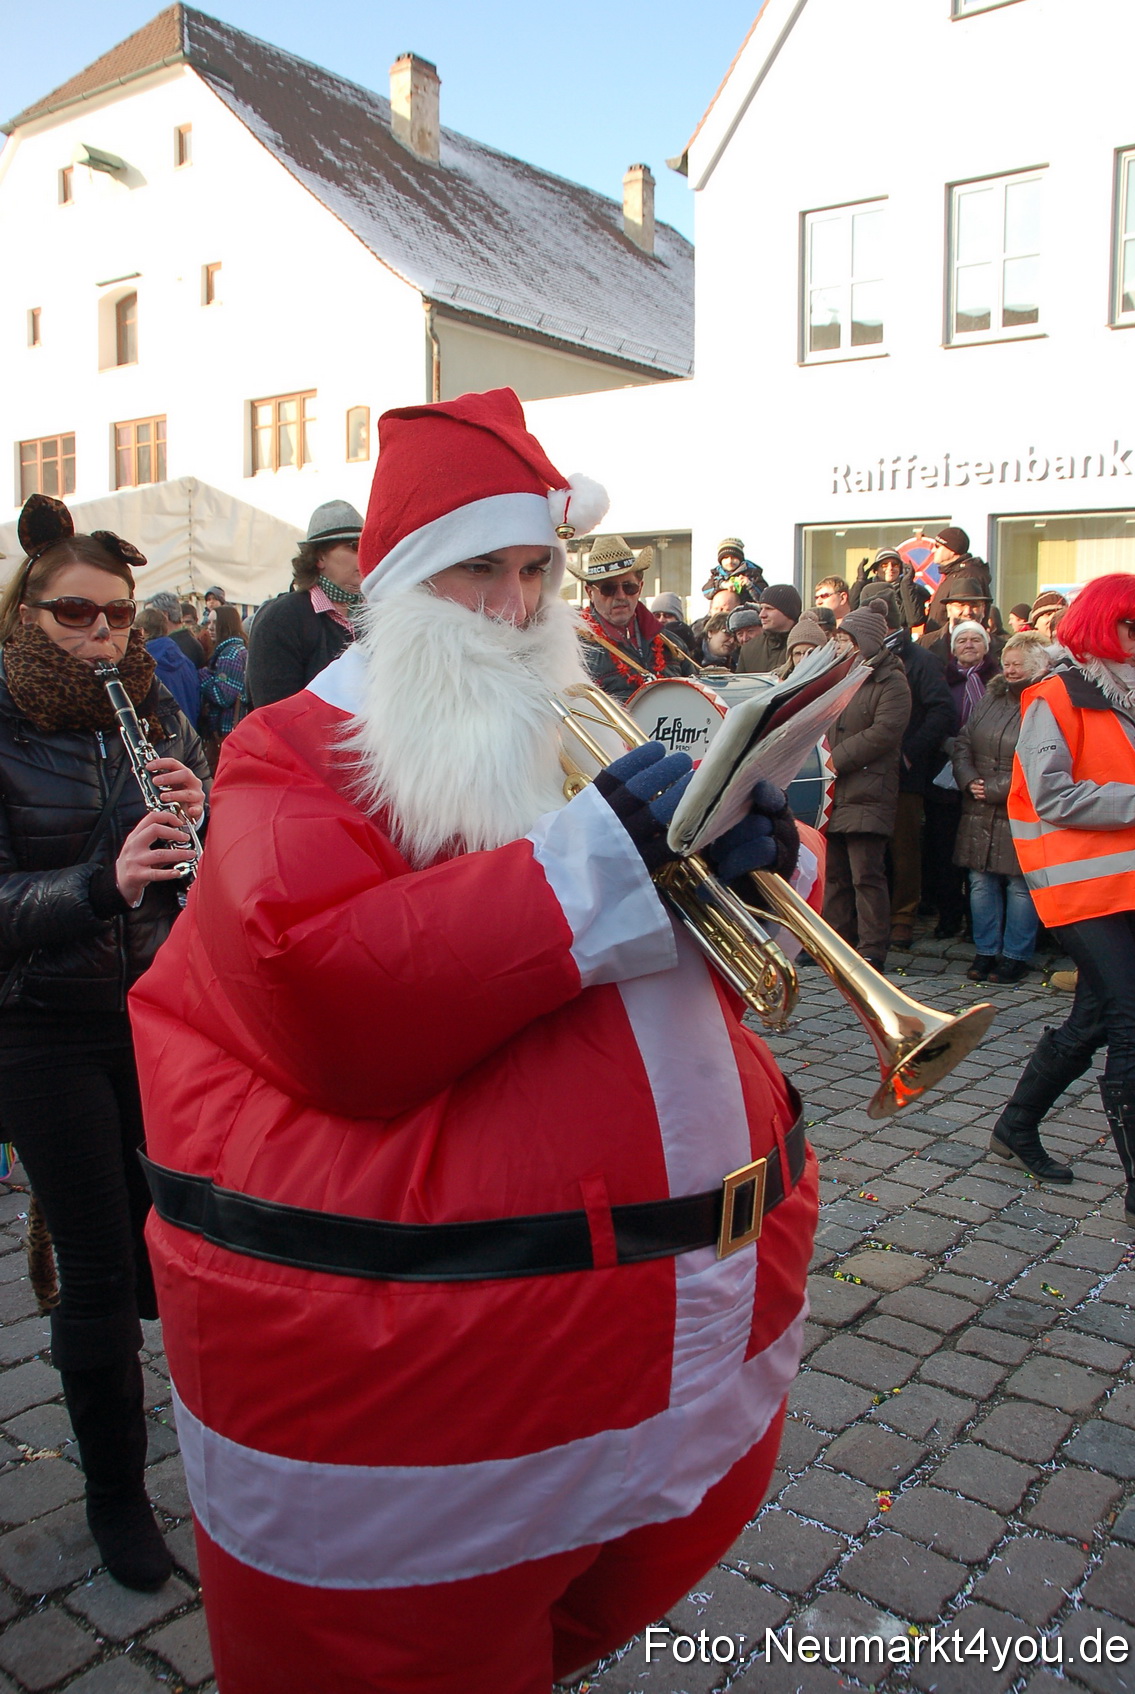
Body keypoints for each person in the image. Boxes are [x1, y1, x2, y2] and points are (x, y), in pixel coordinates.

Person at [130, 387, 818, 1694]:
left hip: (650, 1339)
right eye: (473, 575)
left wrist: (763, 861)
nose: (512, 608)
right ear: (393, 586)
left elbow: (709, 976)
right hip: (422, 1377)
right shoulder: (291, 748)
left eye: (531, 570)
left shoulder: (580, 719)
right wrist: (605, 858)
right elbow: (320, 989)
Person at [0, 494, 209, 1592]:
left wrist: (202, 815)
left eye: (119, 617)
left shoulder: (157, 713)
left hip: (152, 1012)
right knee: (96, 1264)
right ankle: (117, 1501)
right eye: (76, 615)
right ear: (25, 612)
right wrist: (97, 882)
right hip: (38, 1027)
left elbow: (201, 867)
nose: (103, 637)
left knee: (167, 1236)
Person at [996, 573, 1135, 1221]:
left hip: (1129, 884)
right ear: (1101, 625)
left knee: (1092, 1021)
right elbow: (1053, 795)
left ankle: (1014, 1126)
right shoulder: (1054, 696)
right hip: (1076, 888)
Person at [859, 588, 956, 951]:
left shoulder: (921, 660)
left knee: (904, 849)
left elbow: (942, 712)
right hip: (867, 769)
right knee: (869, 849)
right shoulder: (861, 659)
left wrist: (909, 754)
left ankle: (903, 917)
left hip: (904, 772)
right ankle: (871, 919)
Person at [952, 632, 1051, 984]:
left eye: (1018, 664)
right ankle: (985, 951)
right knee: (980, 881)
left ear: (1037, 666)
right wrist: (967, 778)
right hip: (978, 803)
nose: (1010, 670)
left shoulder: (1045, 702)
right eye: (1007, 663)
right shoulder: (991, 698)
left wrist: (994, 788)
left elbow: (1041, 757)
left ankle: (1015, 955)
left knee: (1019, 883)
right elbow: (964, 740)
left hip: (1019, 806)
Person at [821, 607, 912, 971]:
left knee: (866, 874)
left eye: (849, 639)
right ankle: (836, 940)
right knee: (836, 874)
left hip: (868, 789)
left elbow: (885, 732)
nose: (842, 644)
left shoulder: (891, 681)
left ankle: (873, 947)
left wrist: (833, 759)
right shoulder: (840, 675)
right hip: (836, 789)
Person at [246, 502, 365, 708]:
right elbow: (274, 713)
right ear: (319, 557)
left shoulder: (374, 613)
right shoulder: (281, 618)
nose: (365, 555)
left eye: (367, 545)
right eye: (354, 546)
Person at [924, 621, 1001, 938]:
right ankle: (949, 915)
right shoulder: (942, 680)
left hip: (988, 777)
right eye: (962, 640)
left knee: (980, 854)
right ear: (952, 648)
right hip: (944, 776)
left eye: (976, 639)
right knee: (944, 851)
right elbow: (933, 715)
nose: (969, 644)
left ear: (986, 646)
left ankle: (977, 922)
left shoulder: (997, 681)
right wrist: (949, 744)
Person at [572, 533, 693, 700]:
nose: (621, 596)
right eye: (609, 588)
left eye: (629, 587)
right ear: (590, 592)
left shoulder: (672, 645)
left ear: (640, 587)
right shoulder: (575, 651)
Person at [198, 604, 249, 771]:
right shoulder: (234, 649)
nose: (210, 628)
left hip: (227, 730)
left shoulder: (230, 653)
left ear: (226, 624)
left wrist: (203, 675)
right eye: (209, 622)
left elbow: (223, 696)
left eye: (215, 623)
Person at [137, 605, 200, 727]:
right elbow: (197, 702)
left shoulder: (144, 667)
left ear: (142, 631)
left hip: (164, 737)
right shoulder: (186, 662)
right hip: (189, 733)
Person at [923, 529, 993, 632]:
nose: (933, 550)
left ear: (952, 550)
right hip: (939, 642)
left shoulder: (968, 575)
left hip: (956, 644)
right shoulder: (953, 574)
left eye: (937, 546)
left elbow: (970, 618)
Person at [849, 548, 928, 629]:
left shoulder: (909, 588)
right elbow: (850, 610)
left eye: (895, 565)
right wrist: (860, 581)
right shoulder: (866, 588)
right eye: (884, 565)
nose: (890, 568)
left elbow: (914, 620)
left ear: (901, 569)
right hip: (871, 637)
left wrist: (907, 585)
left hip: (899, 639)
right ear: (876, 570)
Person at [736, 585, 802, 674]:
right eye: (761, 608)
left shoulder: (805, 645)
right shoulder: (749, 649)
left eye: (769, 609)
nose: (762, 615)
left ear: (788, 611)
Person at [147, 591, 204, 668]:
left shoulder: (172, 647)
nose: (147, 620)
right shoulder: (187, 639)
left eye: (150, 615)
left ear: (164, 615)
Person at [700, 539, 766, 602]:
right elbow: (706, 591)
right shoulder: (717, 574)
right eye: (726, 558)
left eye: (734, 557)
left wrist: (750, 585)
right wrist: (722, 585)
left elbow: (764, 598)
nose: (730, 561)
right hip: (722, 611)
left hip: (746, 610)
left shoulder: (752, 573)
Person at [648, 592, 694, 656]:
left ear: (678, 618)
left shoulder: (688, 642)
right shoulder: (645, 643)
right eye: (657, 615)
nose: (661, 620)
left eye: (667, 615)